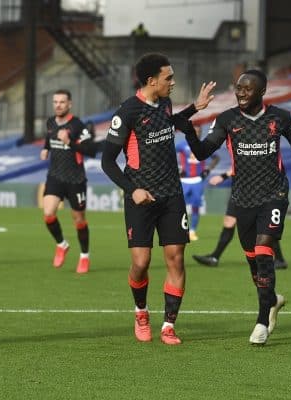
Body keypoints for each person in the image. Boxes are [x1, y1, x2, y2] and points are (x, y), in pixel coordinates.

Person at [174, 69, 291, 345]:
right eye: (238, 88)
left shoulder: (279, 117)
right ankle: (272, 300)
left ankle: (262, 321)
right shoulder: (228, 119)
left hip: (274, 194)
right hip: (242, 198)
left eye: (247, 89)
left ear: (262, 91)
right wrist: (189, 134)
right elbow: (203, 152)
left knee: (265, 252)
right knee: (254, 262)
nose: (241, 93)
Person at [101, 53, 216, 345]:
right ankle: (141, 312)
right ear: (151, 81)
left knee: (176, 259)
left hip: (172, 194)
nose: (173, 82)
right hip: (140, 197)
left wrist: (195, 108)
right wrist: (132, 190)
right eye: (169, 78)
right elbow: (108, 163)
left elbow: (169, 121)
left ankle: (168, 325)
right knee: (141, 261)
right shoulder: (127, 112)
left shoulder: (164, 103)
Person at [40, 89, 98, 274]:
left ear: (69, 104)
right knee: (48, 214)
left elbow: (90, 150)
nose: (58, 105)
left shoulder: (78, 125)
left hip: (75, 179)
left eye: (62, 102)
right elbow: (50, 138)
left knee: (79, 220)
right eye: (55, 102)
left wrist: (69, 143)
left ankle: (84, 256)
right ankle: (62, 244)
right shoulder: (50, 122)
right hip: (55, 176)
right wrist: (45, 149)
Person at [192, 171, 288, 269]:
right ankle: (214, 257)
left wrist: (223, 176)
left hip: (254, 188)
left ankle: (279, 259)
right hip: (240, 188)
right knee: (229, 221)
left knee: (263, 224)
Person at [176, 124, 220, 241]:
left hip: (197, 181)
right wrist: (178, 170)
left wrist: (207, 170)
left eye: (199, 131)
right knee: (178, 207)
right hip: (184, 181)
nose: (197, 133)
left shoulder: (204, 145)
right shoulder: (182, 145)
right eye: (195, 131)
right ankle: (179, 230)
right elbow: (168, 154)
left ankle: (192, 231)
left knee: (195, 207)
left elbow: (216, 158)